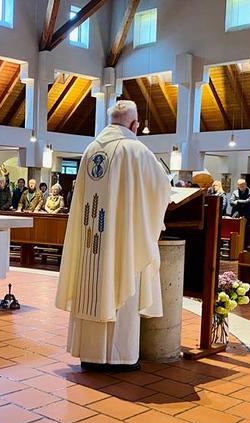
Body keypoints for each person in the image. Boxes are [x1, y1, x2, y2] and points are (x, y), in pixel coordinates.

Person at [56, 100, 170, 372]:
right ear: (134, 124)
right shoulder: (136, 150)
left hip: (90, 240)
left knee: (91, 285)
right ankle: (120, 359)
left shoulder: (90, 150)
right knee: (120, 282)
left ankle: (90, 355)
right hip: (122, 242)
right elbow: (161, 188)